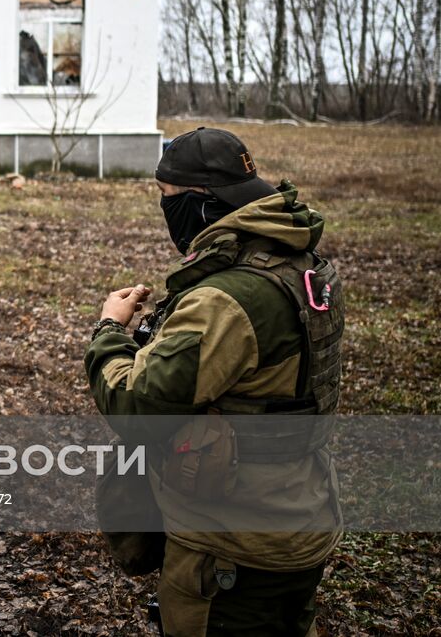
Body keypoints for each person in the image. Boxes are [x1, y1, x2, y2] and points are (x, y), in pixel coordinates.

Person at [86, 127, 344, 637]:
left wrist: (111, 331)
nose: (165, 212)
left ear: (203, 204)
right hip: (300, 514)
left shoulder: (226, 300)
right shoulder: (299, 264)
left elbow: (136, 407)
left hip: (232, 543)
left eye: (168, 200)